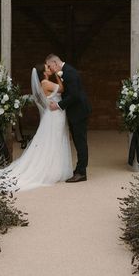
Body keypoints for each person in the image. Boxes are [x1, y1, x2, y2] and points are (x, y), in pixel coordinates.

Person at [0, 63, 73, 192]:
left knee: (54, 140)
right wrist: (57, 75)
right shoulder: (45, 83)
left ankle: (55, 168)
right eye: (47, 68)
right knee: (53, 140)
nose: (49, 69)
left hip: (55, 115)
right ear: (43, 73)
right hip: (54, 116)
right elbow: (62, 89)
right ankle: (51, 170)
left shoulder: (44, 83)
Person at [46, 54, 91, 183]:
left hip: (79, 112)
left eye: (50, 66)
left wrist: (58, 105)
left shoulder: (69, 72)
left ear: (55, 62)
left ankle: (81, 173)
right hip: (74, 112)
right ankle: (79, 170)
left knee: (80, 142)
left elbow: (74, 96)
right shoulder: (64, 72)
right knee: (77, 141)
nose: (50, 68)